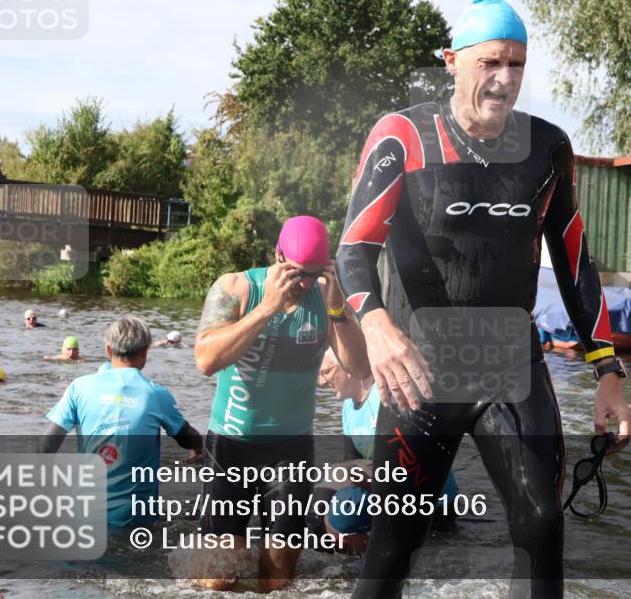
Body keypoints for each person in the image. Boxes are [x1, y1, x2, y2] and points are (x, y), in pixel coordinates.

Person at [336, 0, 631, 598]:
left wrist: (608, 371)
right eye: (491, 62)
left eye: (517, 65)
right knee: (397, 536)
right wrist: (376, 327)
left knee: (542, 523)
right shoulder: (402, 135)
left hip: (510, 366)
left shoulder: (547, 148)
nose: (504, 80)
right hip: (421, 370)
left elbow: (574, 261)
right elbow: (353, 248)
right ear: (452, 61)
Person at [190, 215, 371, 592]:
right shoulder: (237, 287)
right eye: (296, 272)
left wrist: (337, 310)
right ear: (277, 255)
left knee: (276, 578)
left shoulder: (325, 296)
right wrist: (267, 308)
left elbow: (360, 367)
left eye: (313, 273)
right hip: (230, 445)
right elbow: (206, 361)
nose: (303, 283)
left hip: (291, 451)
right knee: (220, 579)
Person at [38, 316, 203, 529]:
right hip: (135, 518)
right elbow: (187, 438)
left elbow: (45, 446)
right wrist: (199, 448)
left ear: (108, 350)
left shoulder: (79, 387)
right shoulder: (157, 395)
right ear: (145, 352)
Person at [309, 349, 458, 554]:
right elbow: (353, 467)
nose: (322, 381)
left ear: (349, 366)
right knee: (335, 508)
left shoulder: (387, 395)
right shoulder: (348, 409)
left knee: (334, 498)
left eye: (326, 372)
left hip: (430, 497)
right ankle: (342, 572)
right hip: (386, 489)